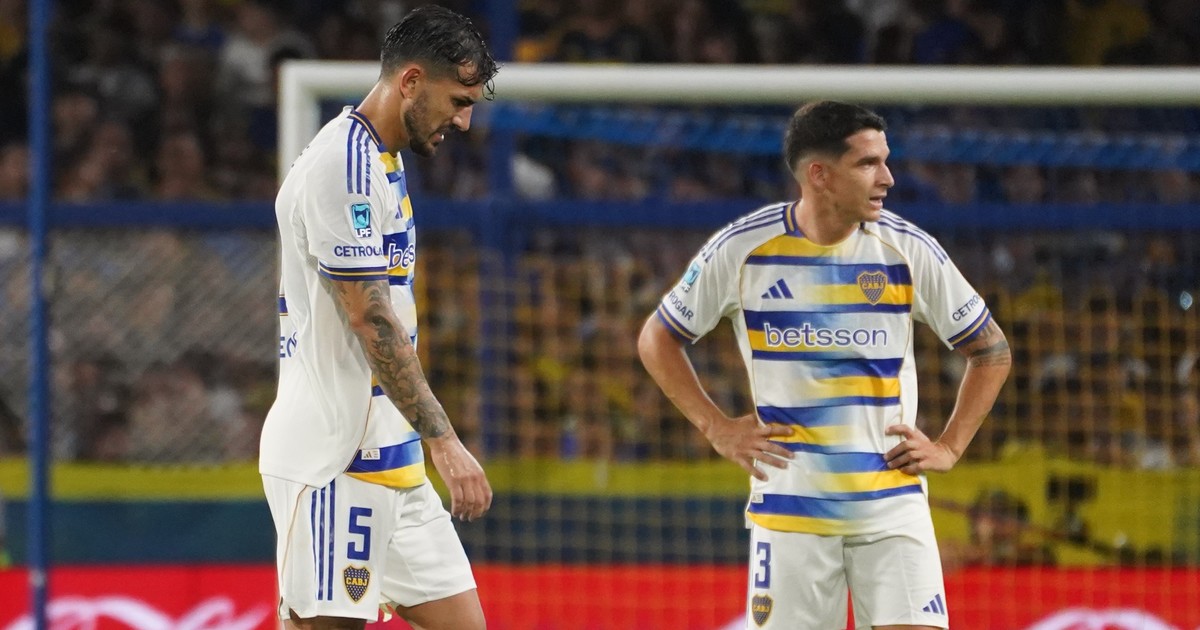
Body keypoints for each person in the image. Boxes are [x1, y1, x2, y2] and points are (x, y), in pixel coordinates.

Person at [637, 100, 1012, 630]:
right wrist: (716, 427)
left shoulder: (907, 249)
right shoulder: (743, 249)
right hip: (790, 513)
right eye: (868, 163)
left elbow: (991, 351)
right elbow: (657, 338)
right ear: (820, 174)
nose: (888, 177)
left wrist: (950, 447)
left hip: (892, 507)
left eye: (885, 160)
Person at [259, 6, 498, 630]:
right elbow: (372, 321)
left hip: (393, 457)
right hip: (334, 462)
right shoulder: (343, 166)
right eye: (459, 101)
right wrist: (446, 443)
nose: (465, 121)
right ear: (411, 82)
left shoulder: (381, 160)